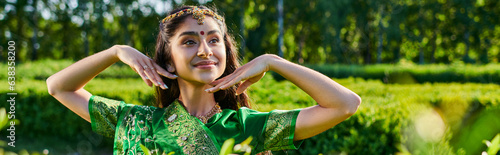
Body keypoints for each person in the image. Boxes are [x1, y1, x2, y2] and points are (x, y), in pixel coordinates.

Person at [46, 5, 361, 155]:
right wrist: (117, 52)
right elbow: (58, 87)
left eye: (214, 40)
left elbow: (345, 105)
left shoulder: (246, 126)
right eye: (189, 42)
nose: (205, 51)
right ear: (167, 59)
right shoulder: (137, 123)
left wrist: (273, 62)